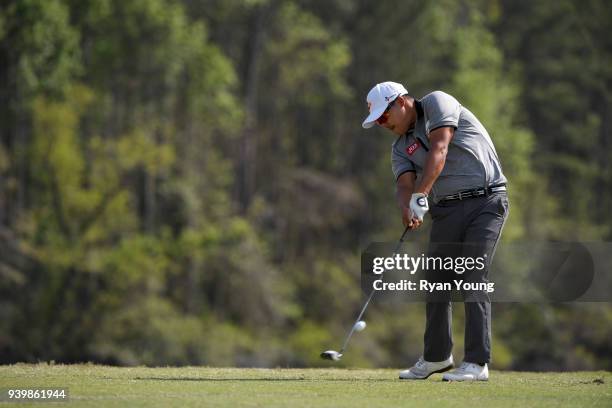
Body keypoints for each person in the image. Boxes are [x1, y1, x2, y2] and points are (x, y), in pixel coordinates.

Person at [362, 81, 509, 381]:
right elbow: (404, 184)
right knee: (436, 279)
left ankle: (477, 363)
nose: (381, 123)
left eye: (383, 116)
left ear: (400, 102)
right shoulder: (401, 147)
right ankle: (437, 357)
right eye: (377, 121)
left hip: (487, 199)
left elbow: (439, 148)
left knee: (472, 273)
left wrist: (421, 195)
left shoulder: (437, 103)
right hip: (447, 210)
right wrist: (406, 208)